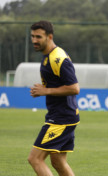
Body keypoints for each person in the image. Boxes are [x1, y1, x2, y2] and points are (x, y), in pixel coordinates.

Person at [27, 20, 80, 176]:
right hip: (64, 116)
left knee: (35, 159)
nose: (34, 40)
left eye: (38, 37)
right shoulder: (48, 56)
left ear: (49, 37)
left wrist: (46, 91)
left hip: (61, 119)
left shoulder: (58, 59)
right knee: (58, 161)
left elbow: (74, 88)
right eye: (32, 36)